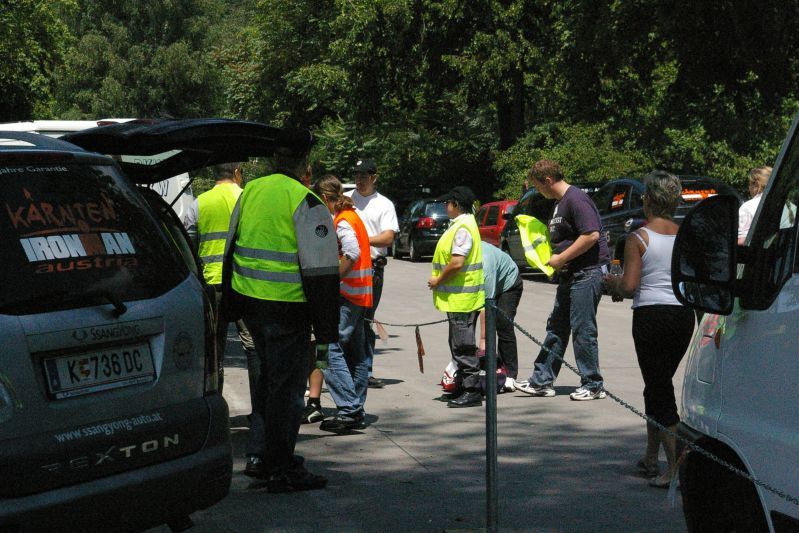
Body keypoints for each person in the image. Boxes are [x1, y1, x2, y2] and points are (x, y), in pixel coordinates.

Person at [221, 130, 340, 492]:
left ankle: (262, 459)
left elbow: (230, 246)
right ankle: (282, 467)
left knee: (267, 385)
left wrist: (231, 303)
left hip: (250, 307)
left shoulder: (252, 190)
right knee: (287, 394)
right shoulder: (306, 201)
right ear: (305, 164)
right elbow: (321, 272)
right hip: (288, 310)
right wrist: (327, 329)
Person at [604, 171, 695, 488]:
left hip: (651, 316)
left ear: (650, 202)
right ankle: (650, 455)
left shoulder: (637, 238)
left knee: (659, 389)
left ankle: (674, 468)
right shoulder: (684, 235)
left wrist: (611, 283)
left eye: (643, 197)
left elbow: (629, 286)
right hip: (683, 315)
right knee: (657, 383)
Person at [517, 160, 610, 400]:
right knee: (557, 328)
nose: (539, 191)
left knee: (583, 330)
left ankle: (592, 384)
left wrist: (561, 258)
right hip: (570, 275)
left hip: (587, 273)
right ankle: (541, 381)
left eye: (538, 186)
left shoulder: (575, 199)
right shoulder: (560, 203)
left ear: (547, 180)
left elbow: (591, 235)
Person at [183, 163, 256, 395]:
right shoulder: (247, 198)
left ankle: (217, 403)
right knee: (253, 347)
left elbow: (189, 244)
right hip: (244, 282)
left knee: (215, 349)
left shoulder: (200, 203)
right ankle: (260, 411)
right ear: (237, 173)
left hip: (212, 283)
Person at [428, 186, 485, 408]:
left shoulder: (463, 228)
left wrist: (438, 280)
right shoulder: (461, 225)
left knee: (463, 345)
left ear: (456, 205)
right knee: (457, 344)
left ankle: (471, 390)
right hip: (459, 298)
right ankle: (462, 386)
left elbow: (457, 262)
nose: (445, 206)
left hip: (462, 297)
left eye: (447, 203)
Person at [345, 159, 399, 389]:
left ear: (374, 178)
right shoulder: (346, 199)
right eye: (357, 175)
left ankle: (364, 371)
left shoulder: (384, 204)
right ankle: (348, 368)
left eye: (364, 176)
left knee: (365, 320)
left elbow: (388, 238)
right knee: (346, 319)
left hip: (372, 269)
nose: (359, 180)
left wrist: (359, 240)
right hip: (347, 267)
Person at [478, 242, 523, 390]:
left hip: (509, 283)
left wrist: (483, 340)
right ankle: (483, 365)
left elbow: (487, 304)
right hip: (491, 285)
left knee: (503, 323)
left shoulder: (485, 261)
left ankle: (510, 374)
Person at [738, 166, 772, 245]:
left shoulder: (747, 208)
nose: (749, 188)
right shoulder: (791, 207)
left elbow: (741, 241)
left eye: (750, 184)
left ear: (756, 185)